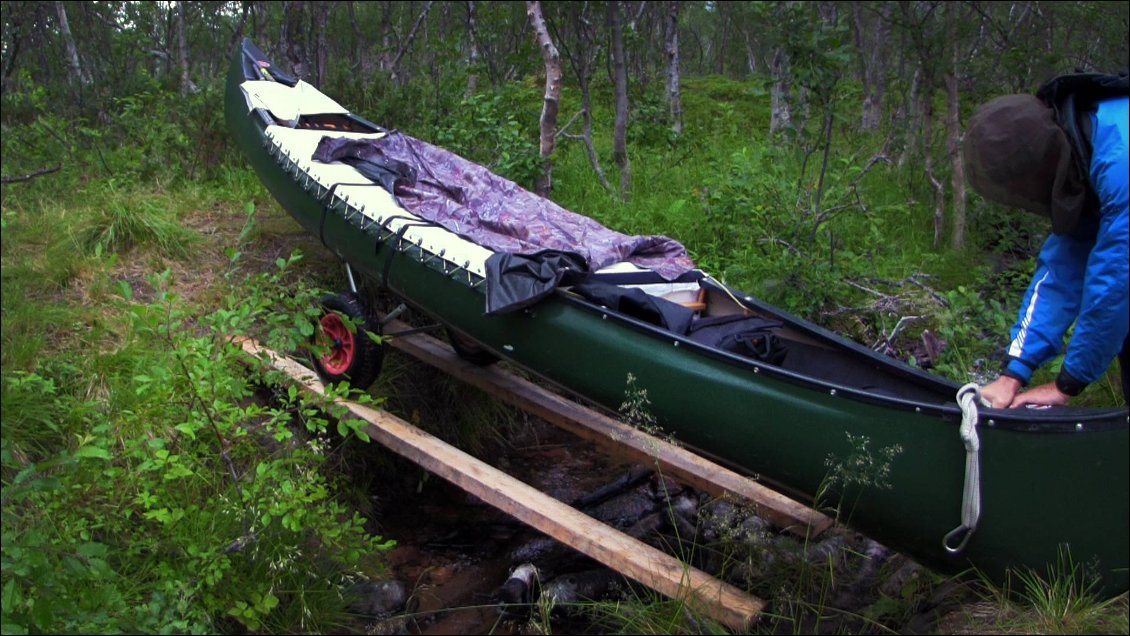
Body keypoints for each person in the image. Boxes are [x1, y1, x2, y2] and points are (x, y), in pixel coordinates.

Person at [963, 80, 1128, 409]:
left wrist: (1067, 384)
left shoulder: (1120, 161)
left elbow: (1118, 279)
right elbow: (1061, 270)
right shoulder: (1086, 146)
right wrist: (1015, 371)